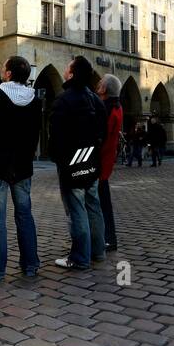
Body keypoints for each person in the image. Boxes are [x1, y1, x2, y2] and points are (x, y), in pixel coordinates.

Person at [0, 55, 45, 280]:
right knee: (25, 215)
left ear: (7, 74)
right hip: (23, 167)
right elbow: (35, 134)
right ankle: (31, 265)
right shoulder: (35, 101)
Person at [49, 59, 108, 270]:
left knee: (77, 210)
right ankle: (98, 251)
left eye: (68, 67)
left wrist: (58, 158)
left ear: (72, 75)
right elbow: (103, 132)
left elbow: (56, 137)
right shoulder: (96, 100)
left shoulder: (63, 100)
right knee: (93, 206)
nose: (64, 69)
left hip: (72, 163)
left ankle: (80, 257)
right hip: (92, 161)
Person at [94, 74, 123, 255]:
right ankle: (107, 239)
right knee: (104, 203)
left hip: (100, 163)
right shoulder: (116, 107)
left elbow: (100, 138)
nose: (97, 85)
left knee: (101, 205)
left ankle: (106, 240)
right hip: (105, 163)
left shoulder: (106, 109)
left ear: (104, 90)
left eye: (100, 83)